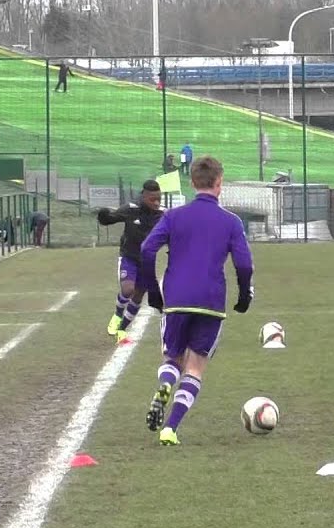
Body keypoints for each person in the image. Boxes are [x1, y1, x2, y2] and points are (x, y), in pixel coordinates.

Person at [139, 156, 254, 445]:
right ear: (220, 183)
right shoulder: (231, 221)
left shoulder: (173, 216)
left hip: (176, 298)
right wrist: (244, 294)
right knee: (195, 366)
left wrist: (153, 289)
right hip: (211, 302)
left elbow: (146, 249)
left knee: (172, 357)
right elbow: (244, 264)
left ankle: (165, 384)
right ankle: (170, 429)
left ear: (192, 183)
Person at [97, 180, 165, 344]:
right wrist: (104, 216)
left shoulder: (163, 215)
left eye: (159, 199)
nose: (156, 203)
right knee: (128, 289)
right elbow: (111, 218)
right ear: (144, 196)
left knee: (138, 296)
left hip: (147, 262)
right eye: (152, 199)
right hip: (129, 257)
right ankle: (117, 314)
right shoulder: (131, 209)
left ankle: (121, 329)